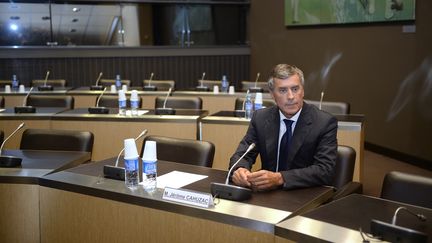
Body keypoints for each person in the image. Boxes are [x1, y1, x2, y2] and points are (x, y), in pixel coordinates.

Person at [230, 64, 337, 191]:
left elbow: (325, 170)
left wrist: (281, 178)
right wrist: (239, 170)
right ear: (272, 94)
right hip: (267, 194)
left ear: (302, 91)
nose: (291, 97)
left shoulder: (324, 122)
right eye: (283, 90)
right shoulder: (261, 118)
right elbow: (243, 154)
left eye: (295, 89)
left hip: (304, 193)